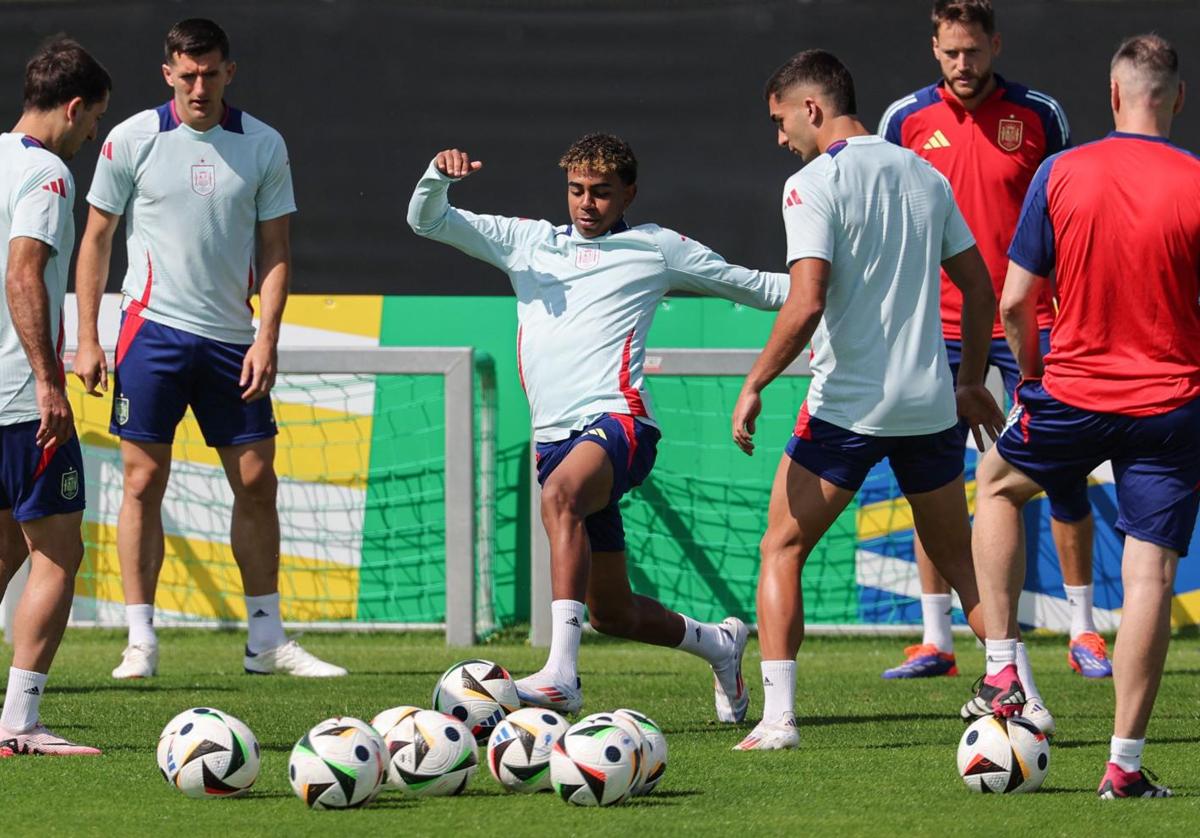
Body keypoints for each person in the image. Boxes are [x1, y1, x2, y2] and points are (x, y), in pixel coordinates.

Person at [408, 133, 789, 720]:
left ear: (629, 193)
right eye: (577, 190)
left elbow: (761, 288)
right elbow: (427, 221)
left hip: (622, 423)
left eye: (603, 193)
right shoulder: (529, 242)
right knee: (613, 612)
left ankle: (562, 675)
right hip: (556, 441)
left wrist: (844, 289)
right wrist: (439, 175)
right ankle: (719, 643)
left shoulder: (655, 248)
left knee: (560, 497)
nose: (587, 204)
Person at [730, 49, 1005, 751]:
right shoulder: (924, 172)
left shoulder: (811, 184)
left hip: (848, 410)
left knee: (781, 547)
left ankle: (779, 720)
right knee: (966, 563)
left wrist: (757, 381)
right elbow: (981, 290)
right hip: (930, 406)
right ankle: (1019, 693)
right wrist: (970, 381)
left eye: (780, 120)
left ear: (812, 109)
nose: (779, 137)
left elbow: (806, 302)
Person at [73, 18, 344, 679]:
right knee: (142, 482)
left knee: (257, 481)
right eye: (186, 74)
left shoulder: (263, 144)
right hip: (151, 333)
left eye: (210, 72)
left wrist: (268, 337)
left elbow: (276, 251)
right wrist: (88, 337)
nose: (199, 85)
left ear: (230, 72)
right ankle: (140, 639)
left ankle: (266, 640)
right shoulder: (131, 138)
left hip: (232, 340)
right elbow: (97, 240)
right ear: (168, 73)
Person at [967, 34, 1200, 799]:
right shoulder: (1196, 180)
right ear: (1177, 98)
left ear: (1111, 95)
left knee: (997, 486)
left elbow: (1012, 303)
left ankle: (1003, 663)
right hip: (1170, 405)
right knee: (1149, 577)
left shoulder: (1062, 171)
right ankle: (1124, 767)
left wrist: (1032, 378)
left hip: (1071, 393)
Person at [878, 0, 1105, 690]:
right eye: (950, 53)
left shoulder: (1041, 115)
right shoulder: (904, 121)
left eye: (973, 51)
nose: (962, 65)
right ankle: (935, 636)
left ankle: (1083, 627)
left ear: (995, 45)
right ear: (934, 49)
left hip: (1033, 320)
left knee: (1061, 467)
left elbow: (1074, 209)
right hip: (938, 325)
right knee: (933, 477)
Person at [0, 37, 109, 756]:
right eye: (92, 122)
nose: (90, 136)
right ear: (72, 109)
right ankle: (20, 723)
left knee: (5, 545)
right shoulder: (48, 176)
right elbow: (23, 275)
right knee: (58, 551)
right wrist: (48, 379)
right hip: (17, 397)